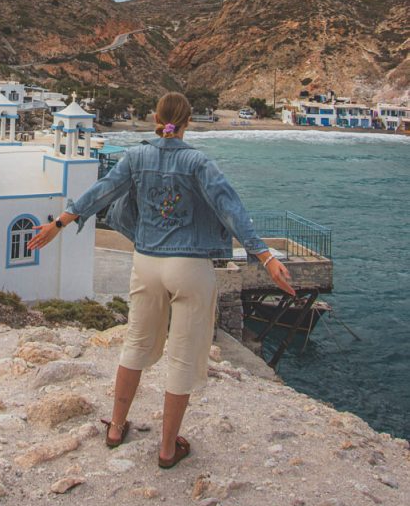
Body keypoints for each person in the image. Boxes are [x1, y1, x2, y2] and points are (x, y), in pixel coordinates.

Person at [27, 92, 295, 469]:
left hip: (147, 262)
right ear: (186, 122)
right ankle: (168, 448)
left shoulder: (136, 157)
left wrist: (59, 223)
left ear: (156, 117)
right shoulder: (198, 162)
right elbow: (229, 207)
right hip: (190, 266)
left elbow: (101, 192)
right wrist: (264, 256)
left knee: (135, 344)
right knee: (183, 357)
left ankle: (117, 428)